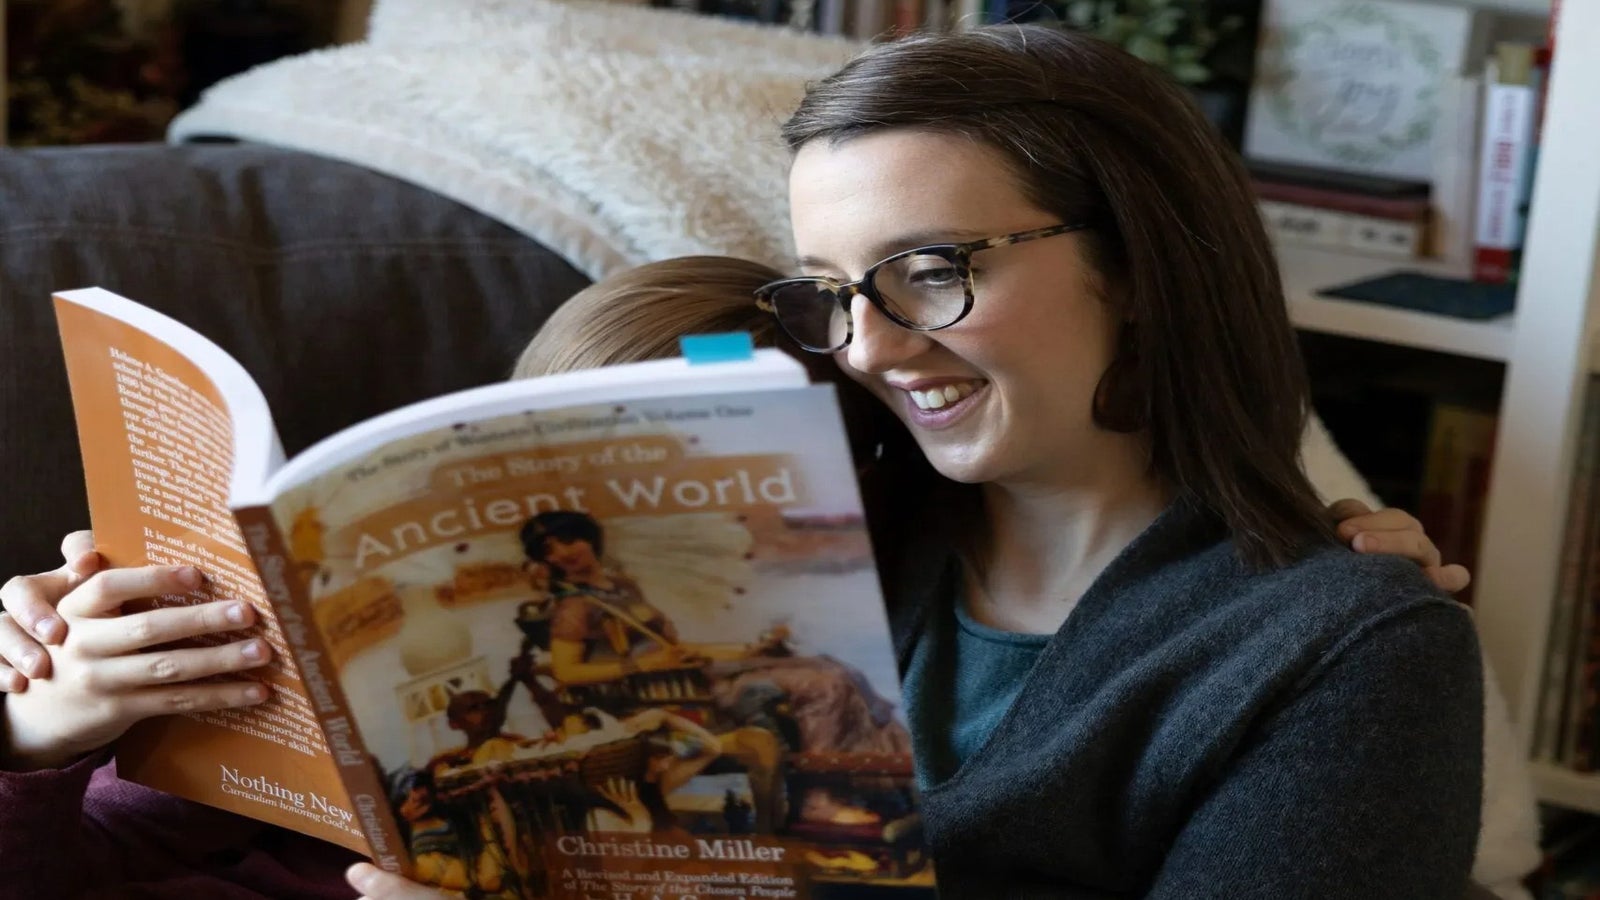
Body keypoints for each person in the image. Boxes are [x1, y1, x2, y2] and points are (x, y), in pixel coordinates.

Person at [0, 33, 1487, 900]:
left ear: (1144, 264)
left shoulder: (1336, 648)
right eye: (835, 291)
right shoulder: (802, 515)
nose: (875, 346)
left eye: (931, 269)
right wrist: (43, 731)